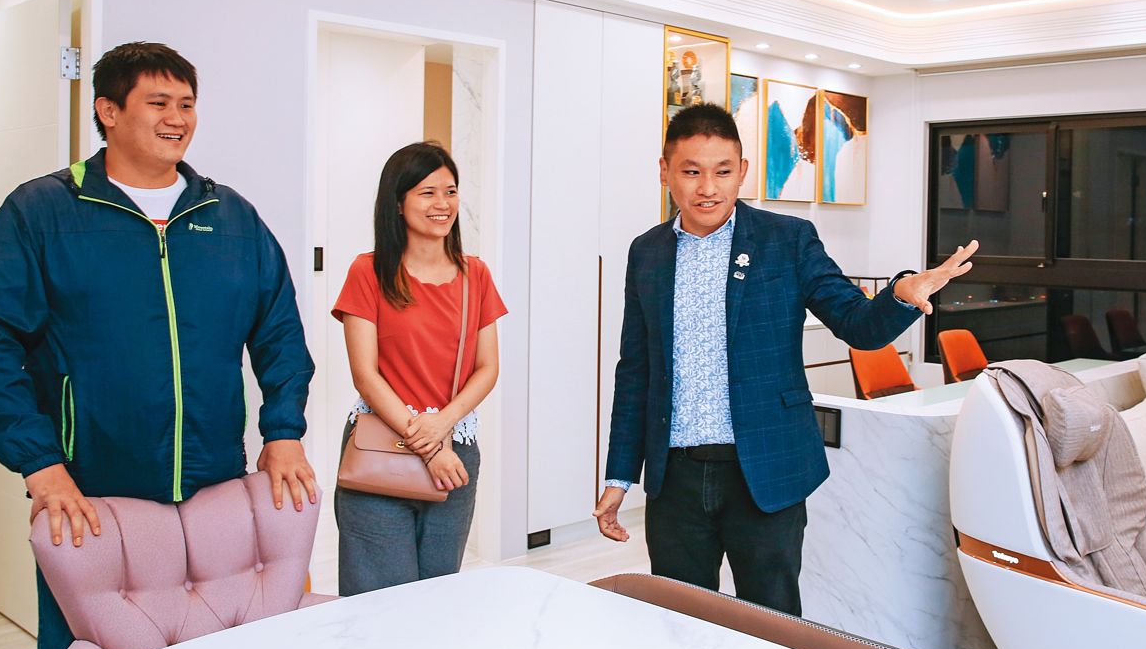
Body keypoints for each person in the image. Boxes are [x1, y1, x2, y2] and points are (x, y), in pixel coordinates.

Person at [0, 42, 317, 649]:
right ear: (108, 111)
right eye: (158, 103)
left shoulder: (228, 216)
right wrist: (41, 464)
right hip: (94, 497)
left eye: (187, 104)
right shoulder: (43, 213)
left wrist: (283, 430)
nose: (177, 118)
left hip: (212, 488)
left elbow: (279, 328)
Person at [593, 103, 977, 616]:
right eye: (691, 172)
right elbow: (635, 371)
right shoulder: (647, 252)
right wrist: (619, 476)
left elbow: (857, 325)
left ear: (743, 171)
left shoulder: (787, 240)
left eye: (722, 172)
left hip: (765, 469)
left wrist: (901, 296)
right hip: (675, 477)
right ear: (665, 171)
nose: (708, 187)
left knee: (771, 620)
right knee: (680, 619)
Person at [332, 141, 507, 593]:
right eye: (427, 193)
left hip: (456, 452)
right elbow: (365, 375)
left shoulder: (476, 275)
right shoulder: (368, 272)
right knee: (380, 600)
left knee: (437, 597)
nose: (442, 204)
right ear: (397, 202)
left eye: (450, 191)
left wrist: (442, 425)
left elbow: (487, 367)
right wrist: (428, 446)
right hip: (381, 446)